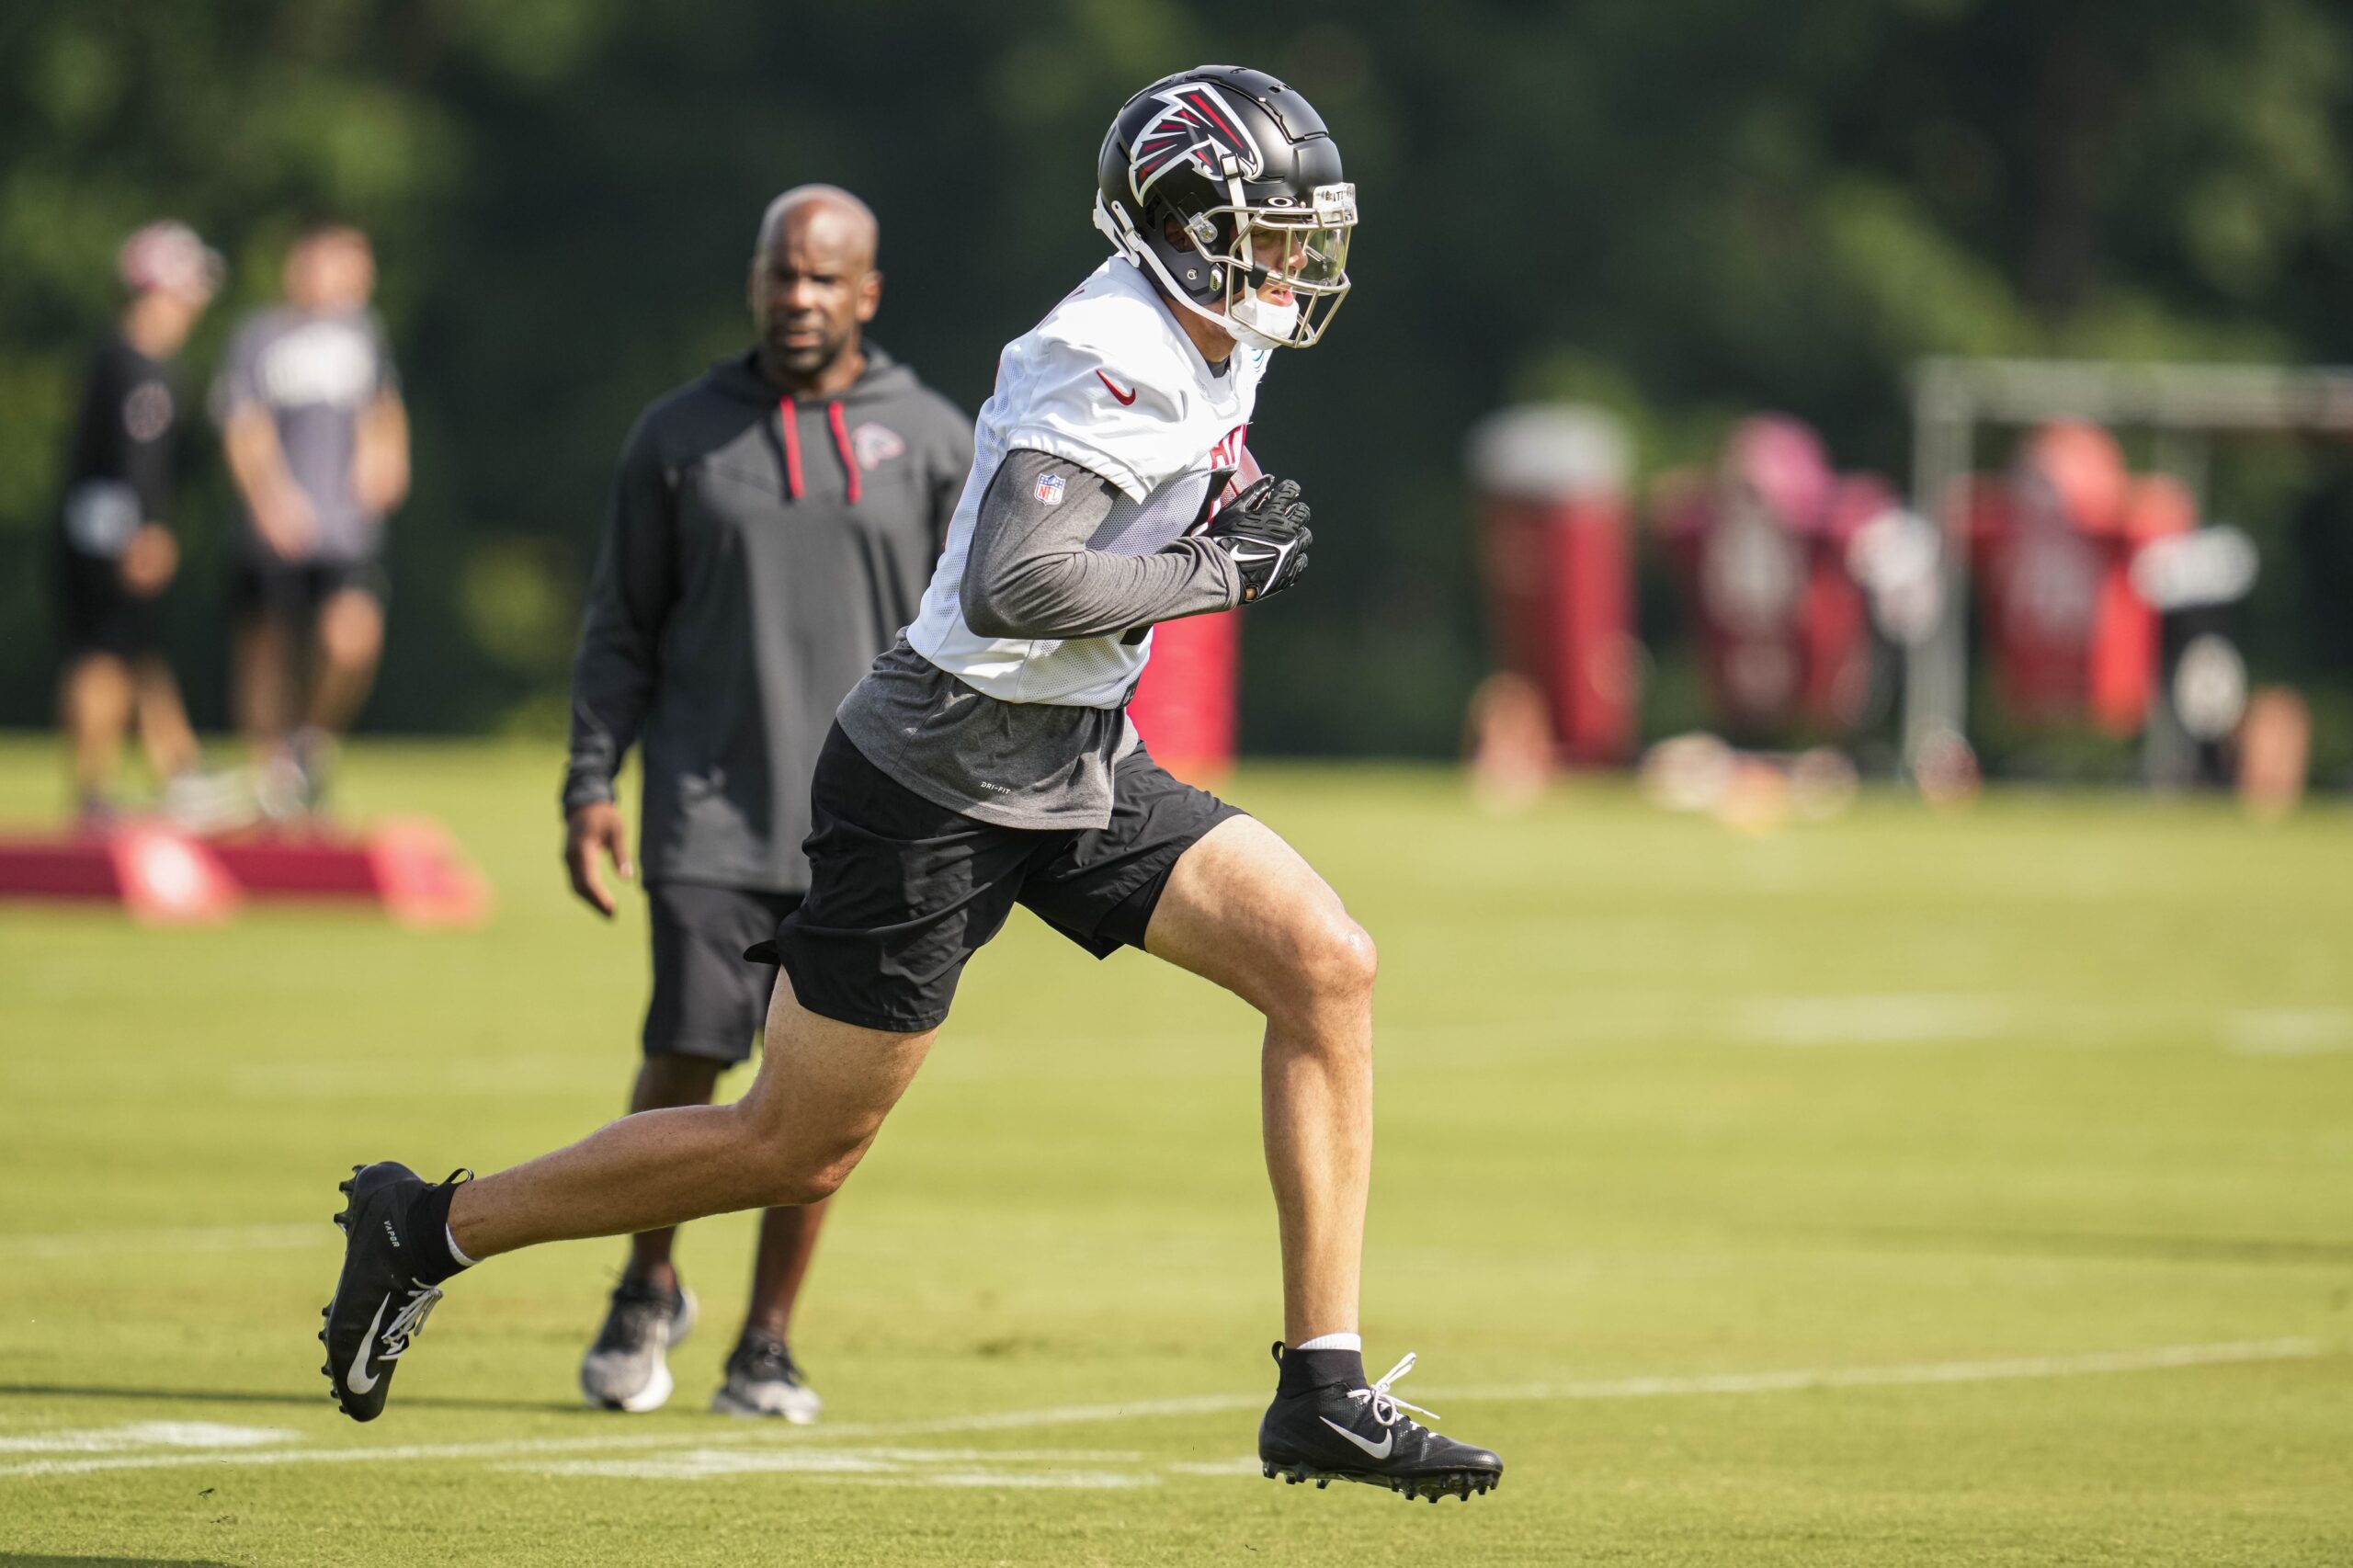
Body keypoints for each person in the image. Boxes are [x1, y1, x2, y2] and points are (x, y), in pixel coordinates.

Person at [320, 66, 1504, 1505]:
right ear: (1188, 226)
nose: (1296, 262)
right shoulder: (1108, 345)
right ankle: (430, 1227)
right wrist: (1216, 568)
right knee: (791, 1147)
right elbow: (1015, 580)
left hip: (1077, 756)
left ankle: (1321, 1384)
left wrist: (1197, 549)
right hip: (938, 773)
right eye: (1271, 230)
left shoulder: (1216, 327)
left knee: (1327, 963)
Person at [561, 185, 971, 1420]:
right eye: (779, 274)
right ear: (755, 282)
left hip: (872, 826)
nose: (798, 298)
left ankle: (767, 1344)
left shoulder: (944, 441)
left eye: (823, 278)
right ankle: (645, 1285)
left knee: (821, 1100)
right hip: (706, 807)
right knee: (686, 1050)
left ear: (868, 294)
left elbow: (984, 641)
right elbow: (619, 628)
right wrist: (591, 781)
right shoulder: (677, 437)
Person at [213, 224, 408, 814]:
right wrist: (270, 499)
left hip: (346, 527)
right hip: (278, 525)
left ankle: (310, 745)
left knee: (352, 637)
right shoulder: (260, 336)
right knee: (266, 644)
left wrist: (389, 456)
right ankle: (273, 779)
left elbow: (384, 409)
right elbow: (242, 424)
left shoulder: (364, 336)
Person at [53, 221, 221, 823]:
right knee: (106, 651)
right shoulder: (138, 367)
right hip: (115, 534)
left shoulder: (124, 361)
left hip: (101, 529)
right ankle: (98, 789)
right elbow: (133, 462)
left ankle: (176, 766)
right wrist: (145, 530)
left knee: (134, 649)